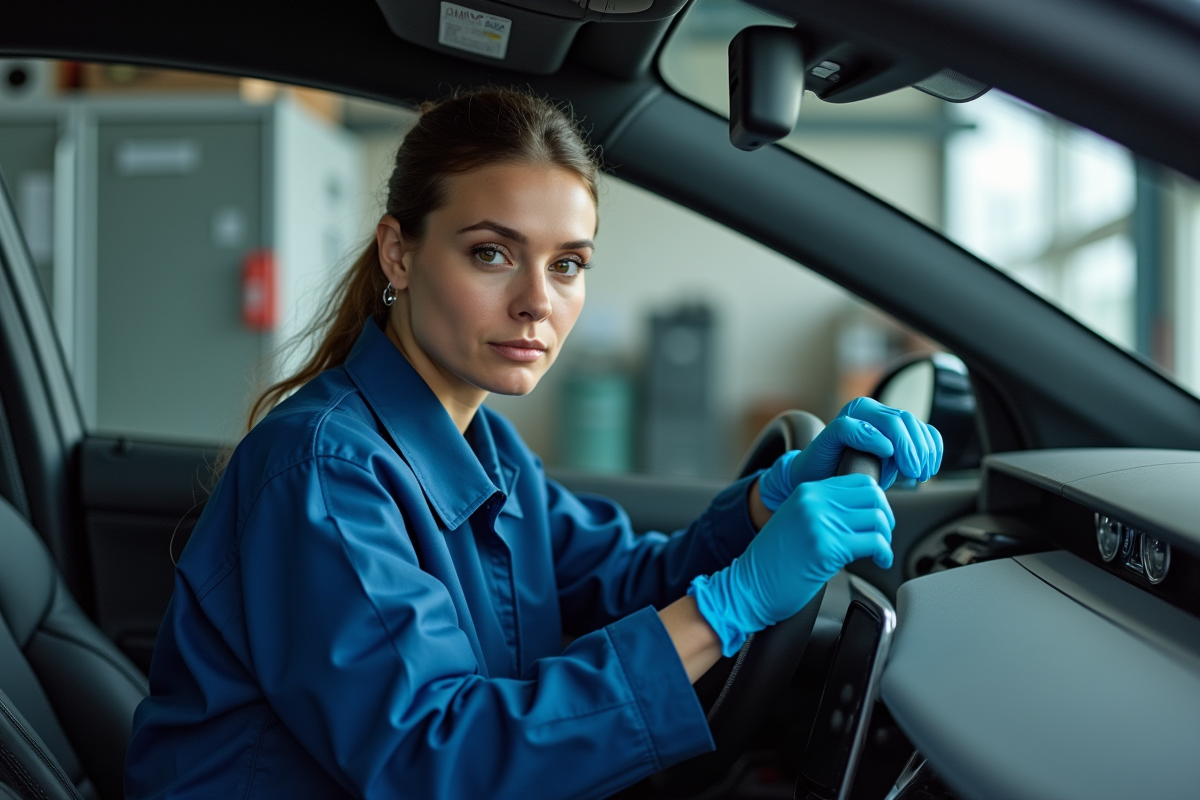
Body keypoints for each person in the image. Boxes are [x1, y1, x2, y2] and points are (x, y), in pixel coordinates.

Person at [123, 87, 942, 800]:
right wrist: (730, 609)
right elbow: (432, 763)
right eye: (492, 254)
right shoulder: (326, 473)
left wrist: (770, 503)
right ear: (398, 253)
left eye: (568, 265)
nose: (535, 303)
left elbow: (620, 583)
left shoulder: (489, 451)